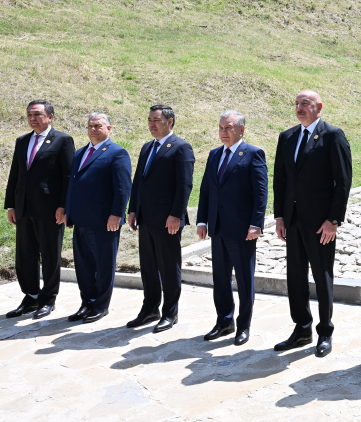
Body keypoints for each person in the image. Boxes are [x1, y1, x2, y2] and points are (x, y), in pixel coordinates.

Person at [272, 90, 353, 357]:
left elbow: (343, 182)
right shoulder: (287, 137)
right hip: (293, 220)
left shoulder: (332, 135)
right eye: (297, 103)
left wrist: (333, 220)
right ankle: (302, 328)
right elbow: (281, 180)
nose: (299, 107)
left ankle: (325, 331)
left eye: (305, 103)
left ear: (319, 107)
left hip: (320, 223)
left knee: (322, 275)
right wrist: (280, 216)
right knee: (295, 276)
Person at [196, 110, 268, 346]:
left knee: (244, 279)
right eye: (220, 128)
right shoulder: (214, 154)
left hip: (242, 230)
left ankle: (243, 325)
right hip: (217, 227)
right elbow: (206, 189)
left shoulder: (253, 154)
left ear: (241, 130)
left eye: (228, 127)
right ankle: (224, 321)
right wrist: (202, 221)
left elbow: (261, 193)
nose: (223, 132)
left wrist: (256, 224)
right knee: (220, 278)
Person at [126, 105, 195, 333]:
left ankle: (170, 313)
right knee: (148, 267)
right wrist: (133, 210)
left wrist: (176, 214)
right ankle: (150, 309)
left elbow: (184, 185)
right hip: (146, 218)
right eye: (149, 120)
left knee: (168, 268)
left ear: (170, 121)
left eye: (156, 120)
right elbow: (138, 181)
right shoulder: (147, 147)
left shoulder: (181, 148)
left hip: (168, 220)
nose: (151, 124)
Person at [3, 100, 75, 319]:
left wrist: (64, 206)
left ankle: (48, 298)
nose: (32, 118)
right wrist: (11, 204)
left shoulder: (62, 140)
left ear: (50, 116)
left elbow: (69, 176)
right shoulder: (22, 141)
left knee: (50, 254)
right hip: (24, 207)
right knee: (25, 254)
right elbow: (15, 174)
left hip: (50, 209)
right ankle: (31, 296)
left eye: (37, 114)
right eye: (29, 115)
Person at [63, 113, 132, 324]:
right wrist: (69, 212)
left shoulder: (117, 153)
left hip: (104, 222)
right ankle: (87, 303)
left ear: (108, 129)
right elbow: (73, 184)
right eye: (90, 126)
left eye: (98, 126)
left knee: (103, 266)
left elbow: (122, 188)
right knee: (83, 266)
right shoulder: (80, 152)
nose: (93, 129)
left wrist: (117, 214)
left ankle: (101, 305)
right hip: (81, 220)